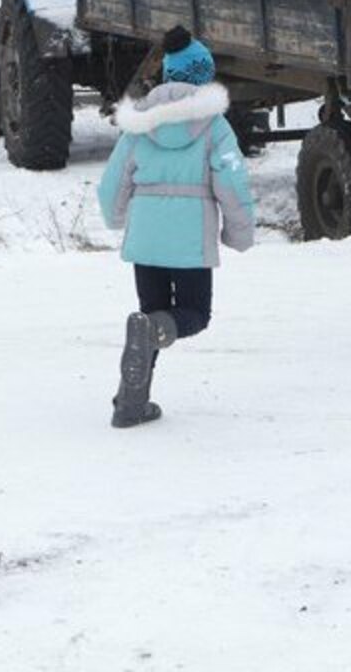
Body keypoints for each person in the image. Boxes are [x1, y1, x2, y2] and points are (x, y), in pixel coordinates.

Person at [98, 26, 256, 428]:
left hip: (146, 240)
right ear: (204, 75)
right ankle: (152, 333)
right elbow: (233, 182)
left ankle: (131, 402)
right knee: (193, 314)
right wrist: (239, 233)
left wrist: (116, 218)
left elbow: (112, 182)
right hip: (190, 242)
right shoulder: (214, 126)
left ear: (168, 73)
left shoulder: (139, 124)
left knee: (147, 318)